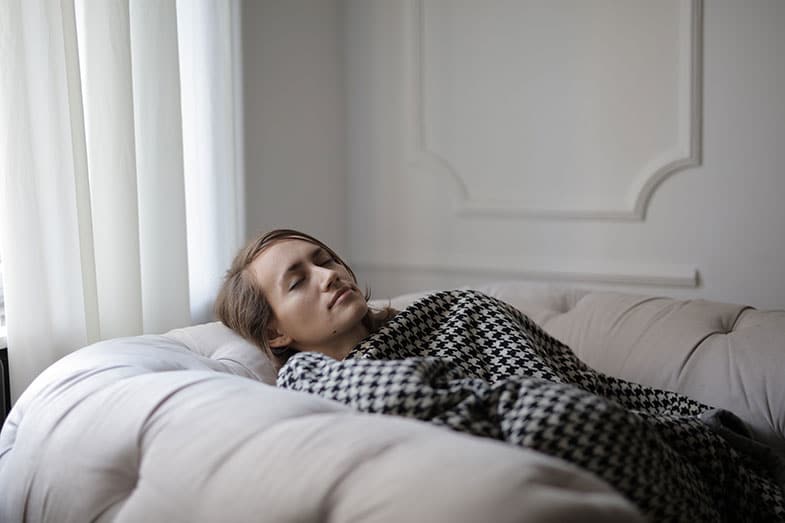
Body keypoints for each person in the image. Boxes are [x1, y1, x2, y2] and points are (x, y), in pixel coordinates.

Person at [215, 229, 395, 371]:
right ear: (274, 334)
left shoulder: (417, 315)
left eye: (325, 261)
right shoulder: (311, 381)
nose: (329, 274)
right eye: (298, 282)